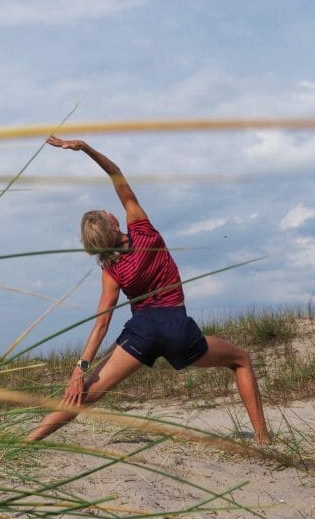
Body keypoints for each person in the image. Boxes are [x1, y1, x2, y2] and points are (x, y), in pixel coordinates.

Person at [25, 137, 269, 444]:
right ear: (113, 227)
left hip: (142, 333)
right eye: (107, 213)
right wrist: (85, 149)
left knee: (82, 397)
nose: (112, 211)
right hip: (177, 328)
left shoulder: (110, 269)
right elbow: (116, 174)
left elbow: (102, 322)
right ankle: (263, 438)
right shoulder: (142, 229)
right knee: (241, 360)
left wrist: (79, 370)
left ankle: (26, 441)